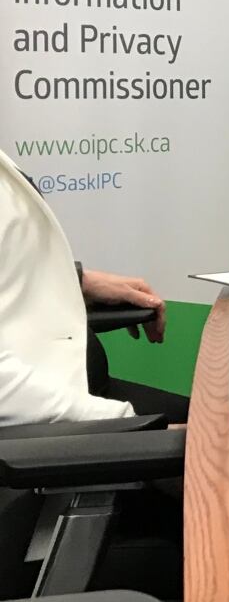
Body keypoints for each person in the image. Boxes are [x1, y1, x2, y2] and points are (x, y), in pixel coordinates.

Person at [0, 145, 185, 425]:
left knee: (226, 419)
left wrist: (78, 282)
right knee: (227, 433)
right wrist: (123, 421)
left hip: (76, 386)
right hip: (54, 426)